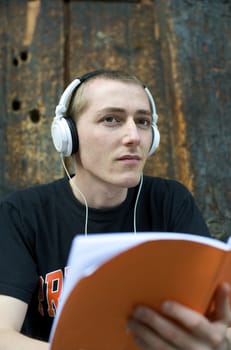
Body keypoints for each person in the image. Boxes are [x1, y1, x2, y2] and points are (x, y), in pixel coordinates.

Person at [0, 69, 230, 350]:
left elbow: (218, 322)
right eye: (111, 119)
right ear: (67, 135)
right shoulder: (23, 213)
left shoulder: (170, 200)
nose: (133, 136)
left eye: (143, 121)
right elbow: (3, 336)